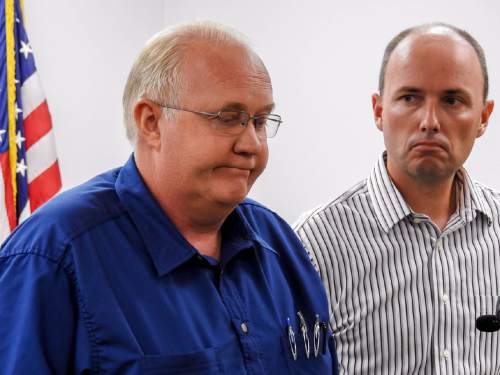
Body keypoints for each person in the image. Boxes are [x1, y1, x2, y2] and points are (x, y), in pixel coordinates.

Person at [0, 22, 338, 374]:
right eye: (228, 118)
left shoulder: (279, 243)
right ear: (150, 122)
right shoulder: (54, 256)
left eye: (260, 120)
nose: (251, 143)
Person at [295, 22, 498, 374]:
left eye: (452, 100)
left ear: (483, 117)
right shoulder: (314, 244)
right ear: (378, 110)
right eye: (410, 98)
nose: (430, 121)